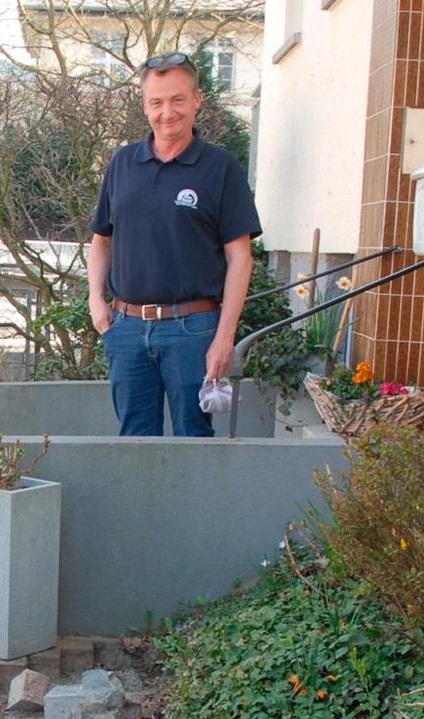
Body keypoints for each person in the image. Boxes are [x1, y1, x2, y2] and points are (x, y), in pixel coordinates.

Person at [87, 51, 263, 437]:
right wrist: (96, 302)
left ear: (197, 99)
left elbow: (240, 258)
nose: (168, 112)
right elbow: (102, 240)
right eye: (157, 102)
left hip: (194, 330)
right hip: (126, 329)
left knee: (193, 440)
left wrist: (224, 339)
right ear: (145, 105)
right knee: (134, 441)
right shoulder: (122, 163)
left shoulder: (220, 168)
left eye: (177, 99)